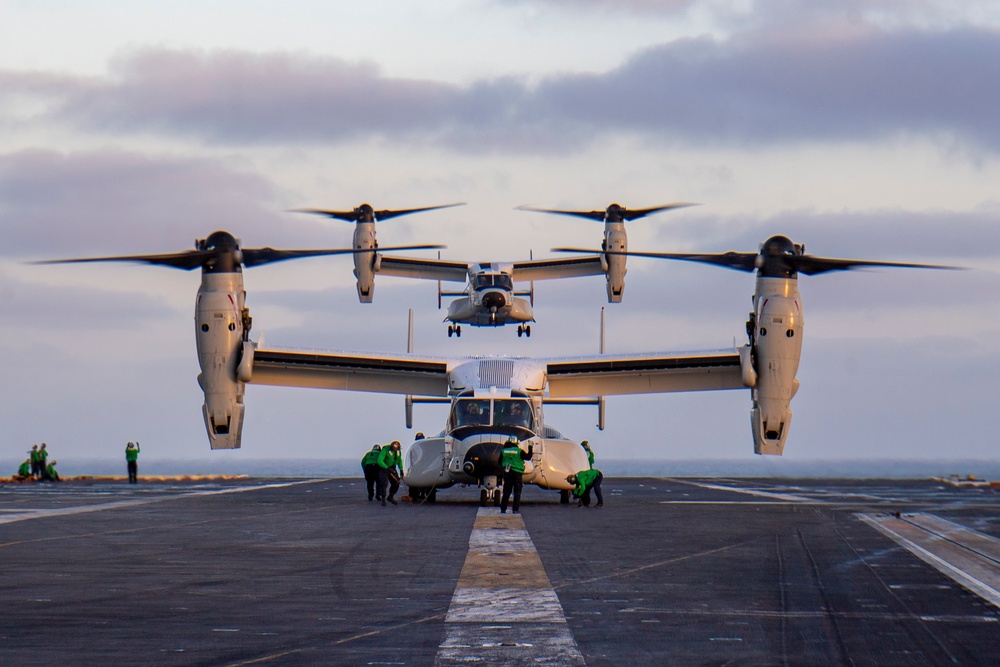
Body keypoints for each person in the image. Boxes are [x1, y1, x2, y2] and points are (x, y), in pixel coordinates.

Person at [499, 438, 533, 515]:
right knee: (517, 492)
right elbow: (528, 457)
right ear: (517, 443)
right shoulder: (519, 451)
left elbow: (499, 461)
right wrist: (530, 447)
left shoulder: (504, 451)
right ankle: (515, 509)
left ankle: (503, 509)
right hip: (517, 473)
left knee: (506, 491)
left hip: (507, 473)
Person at [376, 440, 403, 506]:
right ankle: (383, 498)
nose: (395, 449)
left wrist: (401, 470)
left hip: (392, 468)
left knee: (396, 482)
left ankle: (391, 496)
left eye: (396, 448)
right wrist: (386, 467)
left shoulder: (398, 452)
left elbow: (399, 460)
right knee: (384, 483)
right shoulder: (385, 449)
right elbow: (379, 460)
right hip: (384, 468)